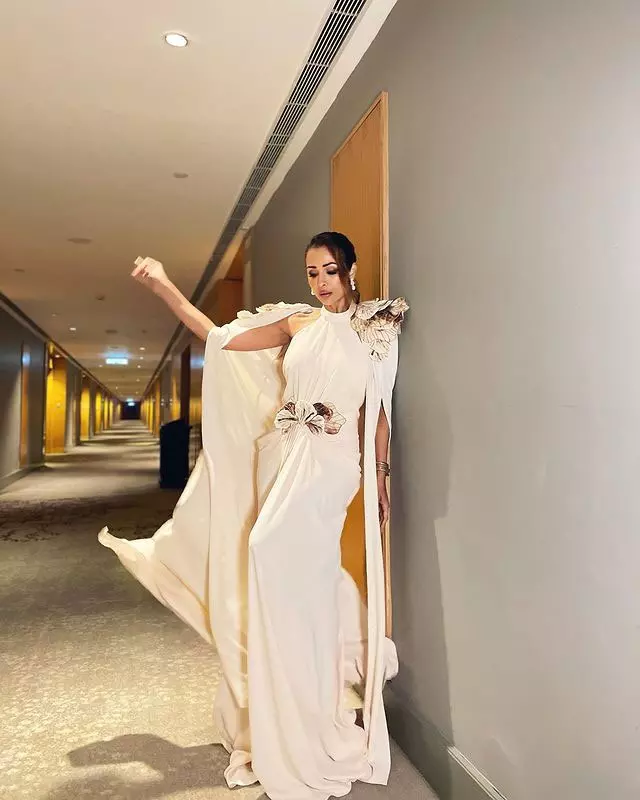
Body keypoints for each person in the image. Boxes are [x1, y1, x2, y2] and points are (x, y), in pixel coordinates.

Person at [99, 231, 408, 800]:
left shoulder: (376, 327)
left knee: (270, 553)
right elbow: (218, 339)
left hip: (333, 464)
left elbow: (379, 410)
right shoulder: (297, 322)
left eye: (330, 270)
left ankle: (312, 701)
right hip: (284, 457)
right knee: (291, 580)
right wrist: (164, 286)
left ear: (351, 269)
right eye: (312, 272)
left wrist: (381, 475)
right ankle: (294, 706)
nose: (320, 282)